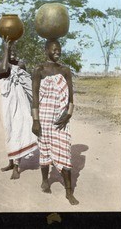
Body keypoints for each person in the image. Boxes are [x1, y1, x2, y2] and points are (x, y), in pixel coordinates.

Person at [31, 39, 78, 205]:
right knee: (44, 149)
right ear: (46, 50)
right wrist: (35, 120)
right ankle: (45, 180)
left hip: (60, 119)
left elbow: (72, 97)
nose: (57, 51)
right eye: (54, 49)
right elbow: (35, 98)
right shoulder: (39, 70)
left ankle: (68, 192)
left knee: (65, 151)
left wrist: (68, 115)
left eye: (59, 49)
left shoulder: (65, 70)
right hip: (43, 117)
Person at [0, 38, 38, 180]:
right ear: (5, 51)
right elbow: (4, 69)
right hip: (7, 104)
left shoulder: (21, 65)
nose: (13, 53)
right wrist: (6, 49)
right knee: (9, 130)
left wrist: (34, 103)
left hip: (21, 103)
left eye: (14, 50)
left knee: (19, 128)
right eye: (10, 50)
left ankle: (16, 167)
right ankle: (10, 162)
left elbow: (27, 84)